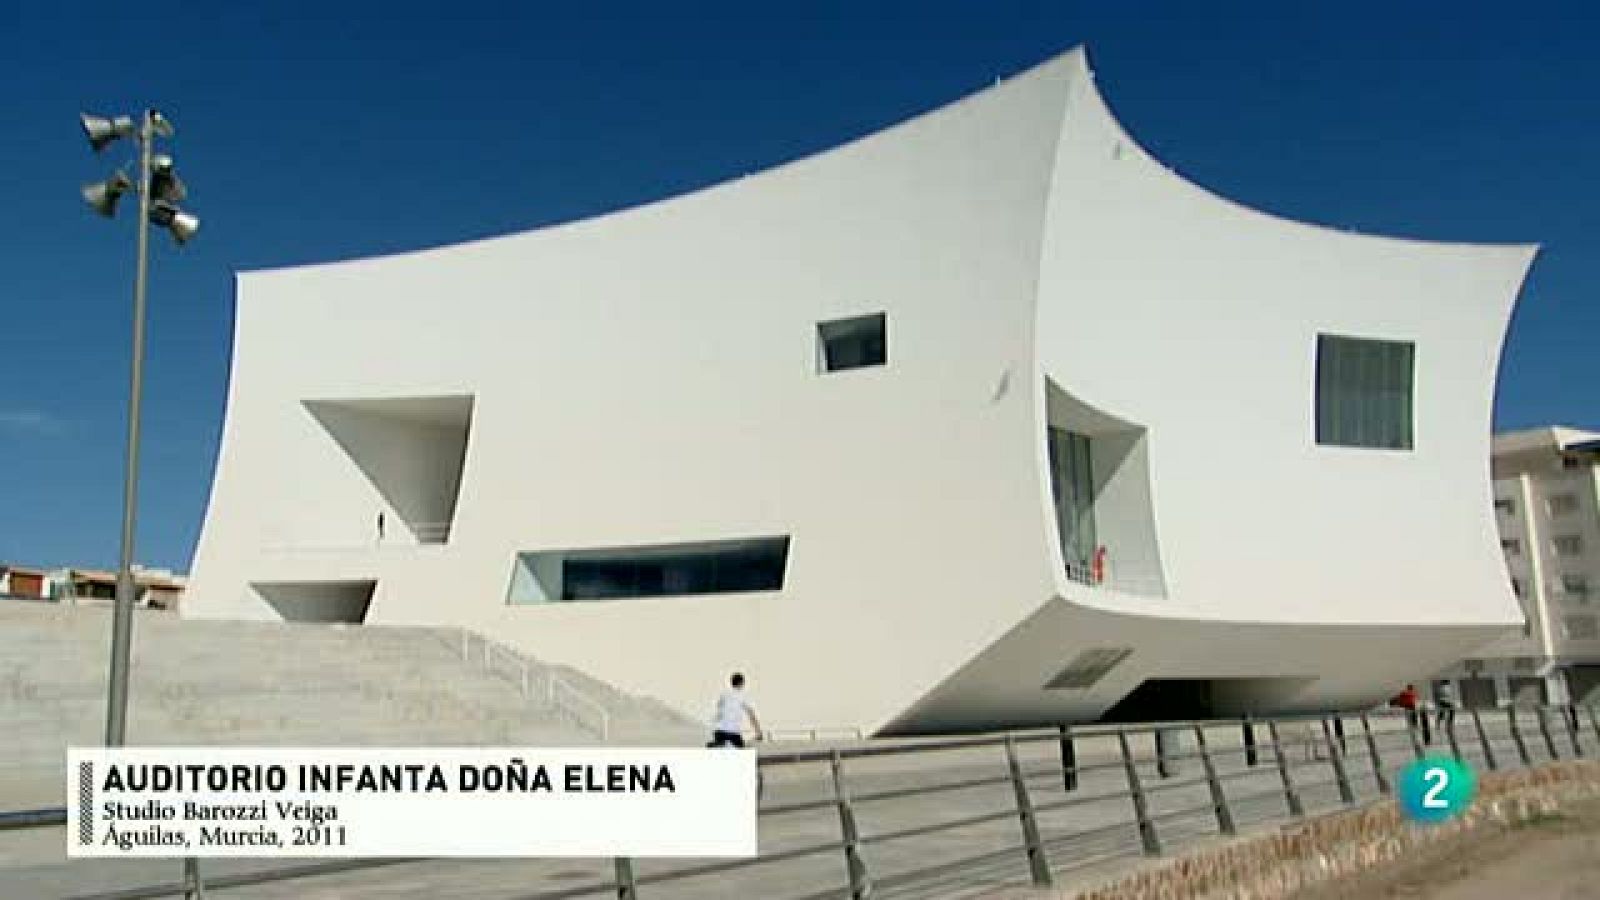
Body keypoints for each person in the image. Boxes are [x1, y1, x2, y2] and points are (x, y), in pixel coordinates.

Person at [708, 672, 763, 748]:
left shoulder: (723, 695)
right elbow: (751, 715)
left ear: (731, 683)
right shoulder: (743, 696)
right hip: (733, 732)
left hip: (719, 731)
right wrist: (759, 732)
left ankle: (717, 744)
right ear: (741, 683)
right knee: (742, 753)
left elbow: (718, 712)